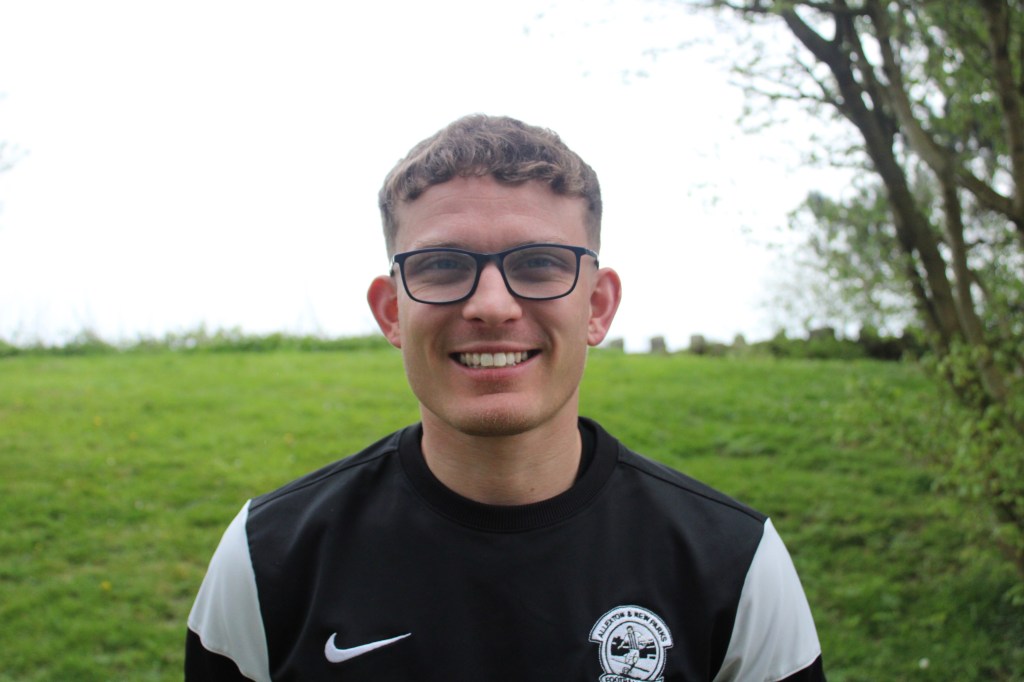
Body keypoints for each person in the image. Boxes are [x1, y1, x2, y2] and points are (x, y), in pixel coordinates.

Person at [185, 114, 826, 681]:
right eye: (441, 266)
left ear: (597, 306)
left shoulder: (736, 566)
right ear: (391, 313)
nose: (492, 306)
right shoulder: (266, 558)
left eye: (539, 263)